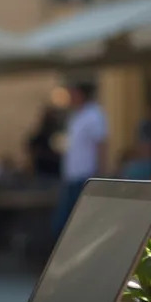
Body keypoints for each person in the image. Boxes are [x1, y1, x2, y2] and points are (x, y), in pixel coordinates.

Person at [53, 81, 107, 238]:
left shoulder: (94, 115)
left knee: (74, 225)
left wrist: (101, 174)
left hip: (85, 177)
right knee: (64, 225)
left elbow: (101, 145)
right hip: (72, 177)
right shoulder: (77, 116)